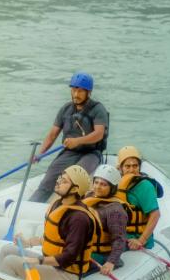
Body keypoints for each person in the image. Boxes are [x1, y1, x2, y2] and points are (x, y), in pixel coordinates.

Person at [0, 165, 99, 280]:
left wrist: (39, 260)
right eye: (60, 177)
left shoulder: (79, 219)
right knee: (6, 250)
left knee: (10, 262)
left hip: (67, 275)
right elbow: (51, 239)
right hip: (52, 265)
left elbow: (69, 257)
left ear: (75, 189)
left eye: (64, 181)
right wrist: (27, 242)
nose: (58, 181)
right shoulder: (59, 204)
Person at [30, 71, 110, 203]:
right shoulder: (66, 109)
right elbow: (52, 134)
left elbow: (99, 134)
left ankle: (65, 208)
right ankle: (30, 205)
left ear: (88, 92)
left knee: (74, 177)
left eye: (80, 91)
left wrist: (77, 141)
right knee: (49, 179)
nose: (76, 95)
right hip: (69, 152)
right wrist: (40, 154)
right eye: (73, 90)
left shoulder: (98, 109)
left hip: (91, 153)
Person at [81, 164, 128, 276]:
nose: (97, 187)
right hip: (84, 248)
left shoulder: (115, 210)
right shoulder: (89, 196)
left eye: (103, 184)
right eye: (96, 182)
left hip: (100, 254)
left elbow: (119, 239)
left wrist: (111, 262)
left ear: (112, 188)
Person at [115, 145, 162, 250]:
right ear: (120, 168)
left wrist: (141, 240)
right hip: (120, 236)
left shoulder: (145, 186)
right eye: (127, 166)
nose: (132, 170)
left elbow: (155, 215)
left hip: (136, 239)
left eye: (135, 166)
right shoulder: (115, 183)